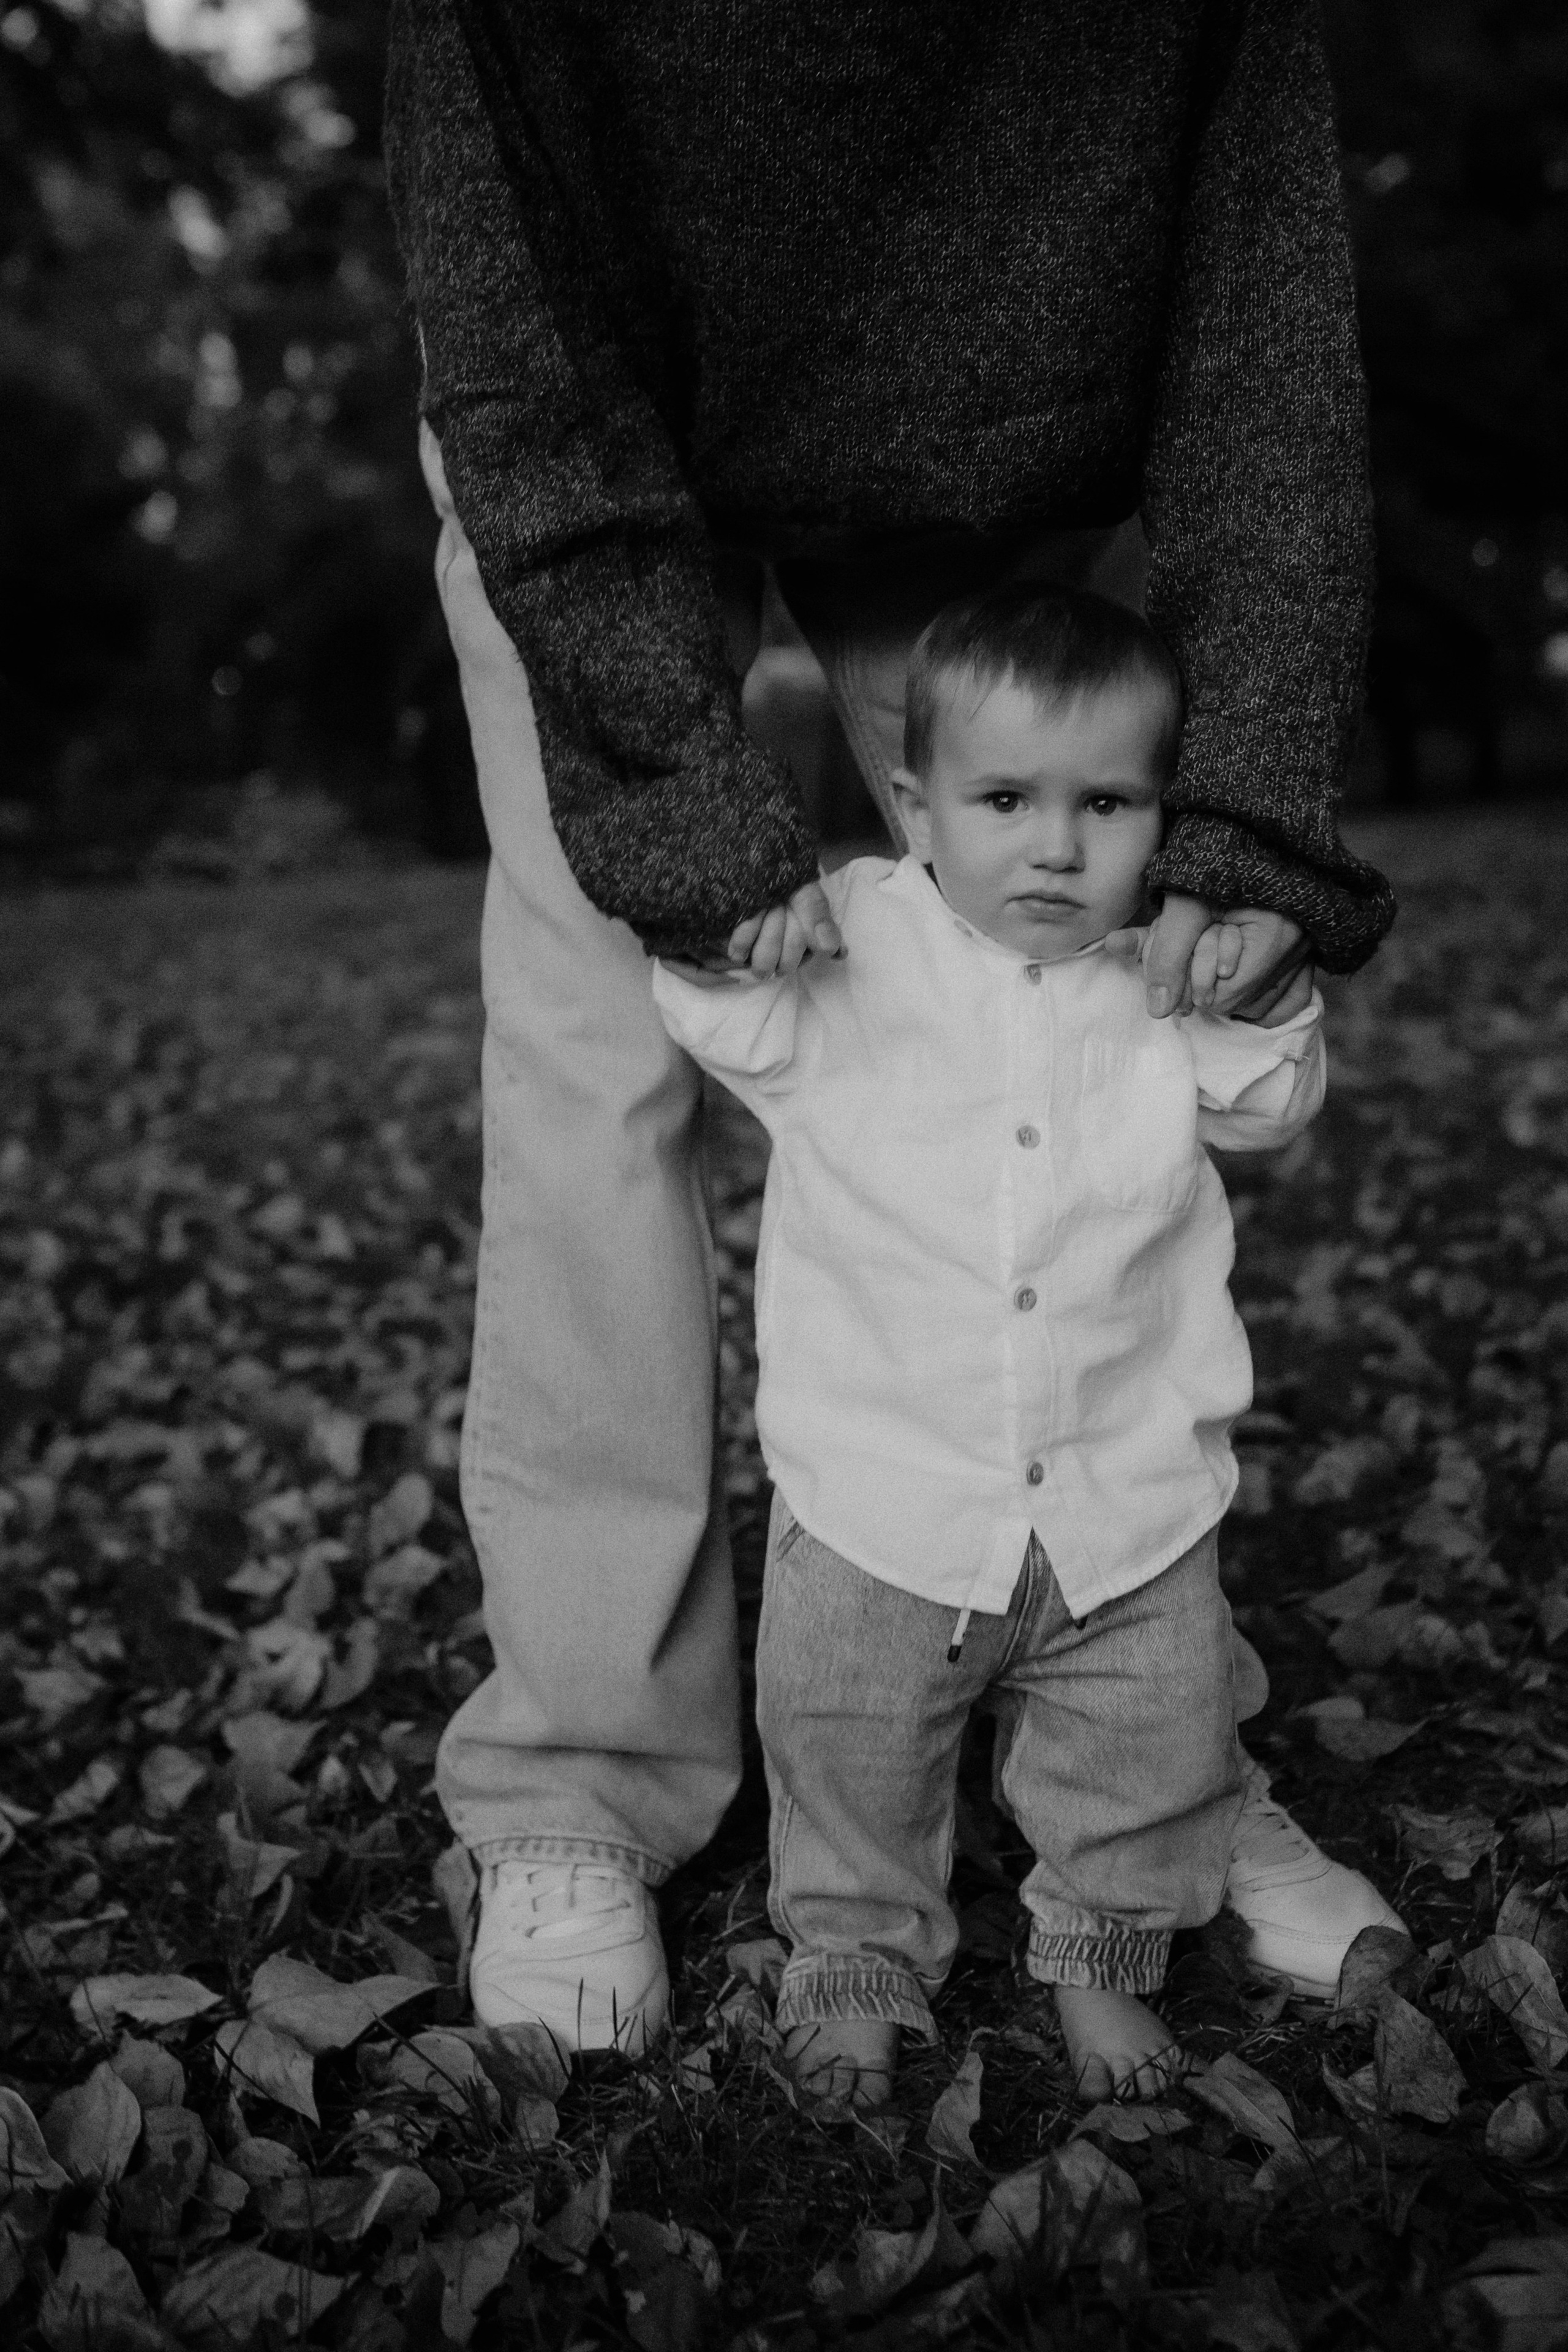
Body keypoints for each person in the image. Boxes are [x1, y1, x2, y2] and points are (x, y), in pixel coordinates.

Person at [383, 0, 1401, 2053]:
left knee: (1091, 996)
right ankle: (586, 1767)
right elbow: (520, 328)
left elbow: (1265, 339)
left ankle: (1154, 1745)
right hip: (594, 443)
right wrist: (677, 801)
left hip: (999, 436)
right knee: (605, 1040)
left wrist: (1246, 817)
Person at [649, 585, 1401, 2104]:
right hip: (883, 1499)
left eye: (1105, 802)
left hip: (1122, 1494)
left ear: (1164, 816)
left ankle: (1100, 1955)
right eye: (1004, 799)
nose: (1055, 846)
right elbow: (713, 1017)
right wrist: (735, 934)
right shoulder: (857, 936)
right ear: (917, 800)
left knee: (1140, 1755)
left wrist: (1263, 990)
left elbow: (1267, 1104)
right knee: (848, 1753)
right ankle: (857, 1955)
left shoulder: (1161, 970)